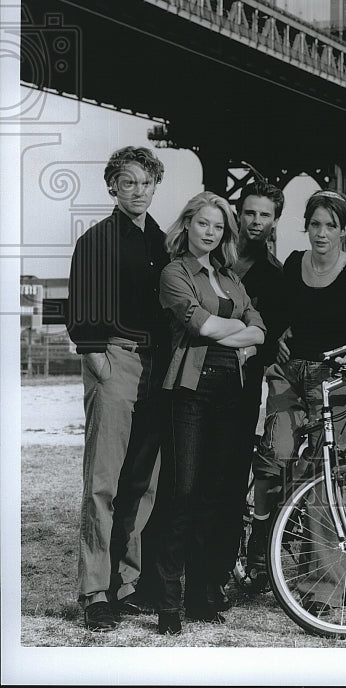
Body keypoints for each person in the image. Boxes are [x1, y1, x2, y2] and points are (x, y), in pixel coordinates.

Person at [246, 188, 346, 610]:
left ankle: (322, 586)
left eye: (330, 226)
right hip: (290, 373)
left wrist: (344, 368)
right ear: (306, 226)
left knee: (329, 481)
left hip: (333, 377)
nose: (321, 233)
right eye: (315, 224)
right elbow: (279, 319)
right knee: (273, 460)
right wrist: (271, 353)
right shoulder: (294, 264)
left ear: (343, 230)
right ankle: (263, 539)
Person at [66, 145, 171, 632]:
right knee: (103, 481)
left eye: (146, 182)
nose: (138, 191)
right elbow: (81, 312)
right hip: (115, 358)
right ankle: (94, 591)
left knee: (141, 483)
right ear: (112, 186)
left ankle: (126, 583)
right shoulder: (96, 240)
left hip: (156, 367)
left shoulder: (161, 242)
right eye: (128, 182)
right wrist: (98, 360)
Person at [154, 191, 266, 635]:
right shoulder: (174, 273)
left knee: (213, 497)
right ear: (187, 224)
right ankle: (166, 602)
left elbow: (260, 330)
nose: (211, 232)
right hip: (190, 391)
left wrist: (237, 329)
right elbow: (202, 325)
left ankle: (199, 595)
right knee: (181, 493)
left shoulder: (230, 277)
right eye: (204, 223)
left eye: (218, 227)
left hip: (231, 394)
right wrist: (237, 329)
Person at [220, 179, 287, 593]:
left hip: (242, 382)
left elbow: (270, 339)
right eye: (249, 213)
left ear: (275, 220)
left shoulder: (275, 275)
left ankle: (231, 561)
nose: (256, 222)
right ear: (238, 214)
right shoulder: (213, 254)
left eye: (265, 215)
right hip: (197, 373)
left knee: (231, 469)